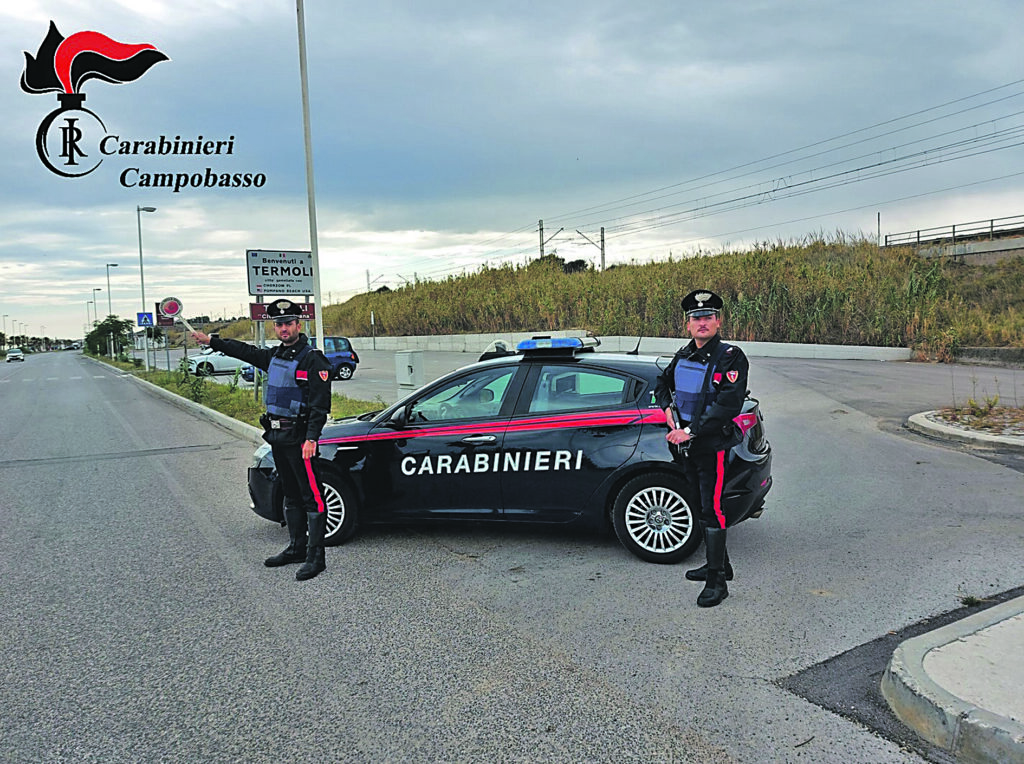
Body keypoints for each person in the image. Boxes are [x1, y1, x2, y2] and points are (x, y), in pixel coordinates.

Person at [191, 299, 334, 581]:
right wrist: (212, 341)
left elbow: (320, 405)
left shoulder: (312, 358)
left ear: (298, 325)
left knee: (312, 498)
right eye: (279, 324)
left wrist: (312, 438)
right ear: (275, 326)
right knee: (291, 496)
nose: (283, 328)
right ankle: (296, 548)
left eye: (288, 323)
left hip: (300, 440)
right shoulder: (275, 357)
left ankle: (316, 558)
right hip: (278, 437)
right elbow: (244, 351)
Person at [654, 289, 749, 607]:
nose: (702, 322)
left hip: (712, 446)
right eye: (696, 318)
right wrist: (668, 413)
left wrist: (690, 431)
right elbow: (661, 385)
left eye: (708, 317)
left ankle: (717, 583)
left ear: (718, 321)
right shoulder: (682, 355)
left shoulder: (730, 356)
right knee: (698, 503)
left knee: (714, 508)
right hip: (687, 447)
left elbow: (728, 403)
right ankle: (719, 562)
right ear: (688, 324)